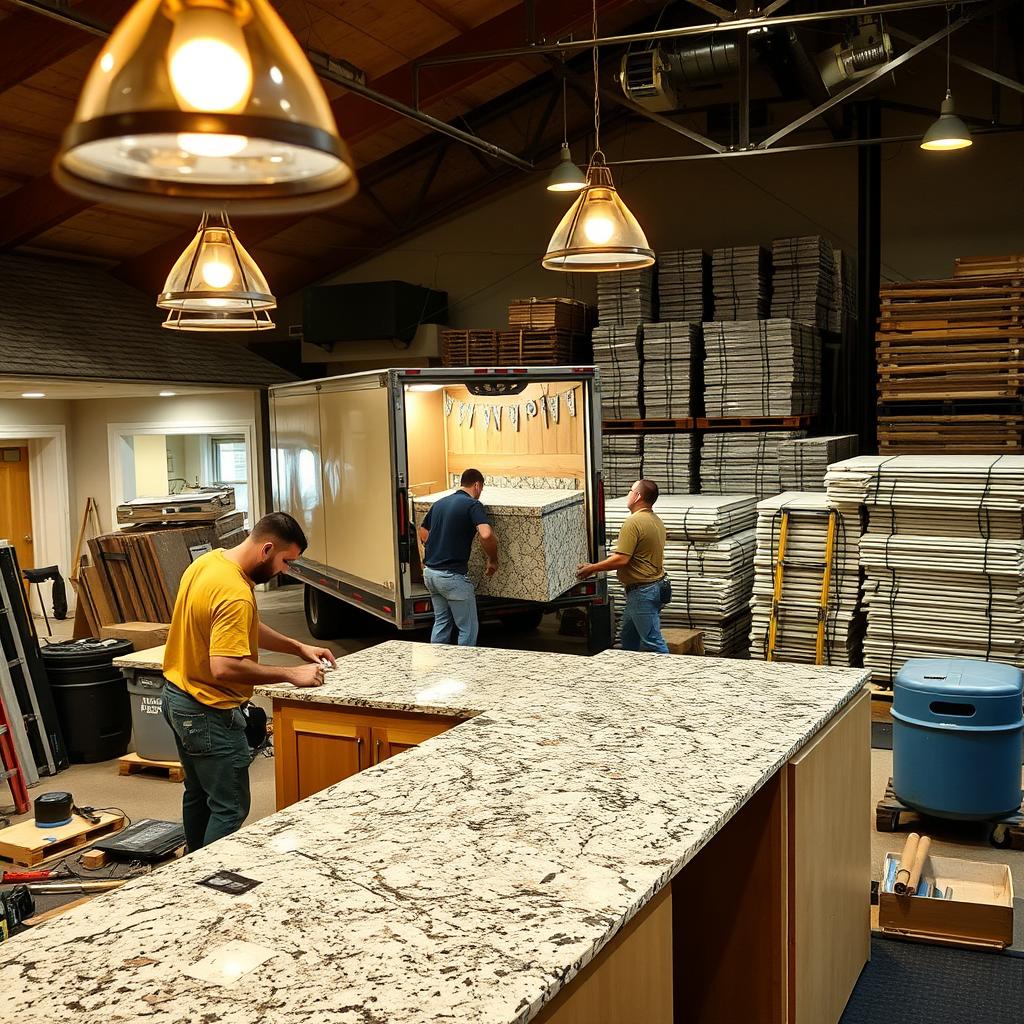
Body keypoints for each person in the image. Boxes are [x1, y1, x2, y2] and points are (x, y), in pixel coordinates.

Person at [161, 512, 336, 851]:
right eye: (285, 561)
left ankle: (187, 878)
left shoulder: (210, 564)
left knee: (198, 794)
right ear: (267, 549)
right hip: (208, 711)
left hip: (177, 696)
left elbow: (243, 627)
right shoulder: (235, 593)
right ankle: (211, 885)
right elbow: (224, 667)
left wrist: (297, 647)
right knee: (229, 808)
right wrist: (290, 674)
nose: (284, 570)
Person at [576, 479, 671, 654]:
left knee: (653, 642)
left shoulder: (633, 522)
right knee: (628, 638)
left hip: (643, 591)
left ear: (638, 496)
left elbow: (621, 560)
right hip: (654, 587)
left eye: (630, 490)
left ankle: (672, 679)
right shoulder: (655, 520)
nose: (628, 494)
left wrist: (592, 568)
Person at [418, 468, 498, 646]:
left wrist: (438, 546)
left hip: (431, 574)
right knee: (467, 628)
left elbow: (423, 532)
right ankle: (464, 670)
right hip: (452, 577)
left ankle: (437, 668)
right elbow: (485, 534)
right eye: (481, 489)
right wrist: (493, 559)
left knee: (442, 622)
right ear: (477, 485)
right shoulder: (473, 505)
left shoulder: (440, 503)